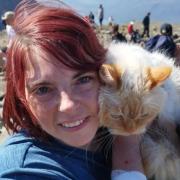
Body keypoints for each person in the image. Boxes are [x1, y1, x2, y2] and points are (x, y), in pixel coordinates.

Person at [0, 0, 146, 179]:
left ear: (104, 78)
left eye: (83, 79)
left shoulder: (118, 122)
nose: (68, 105)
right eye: (43, 89)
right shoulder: (26, 170)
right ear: (23, 96)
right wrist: (128, 149)